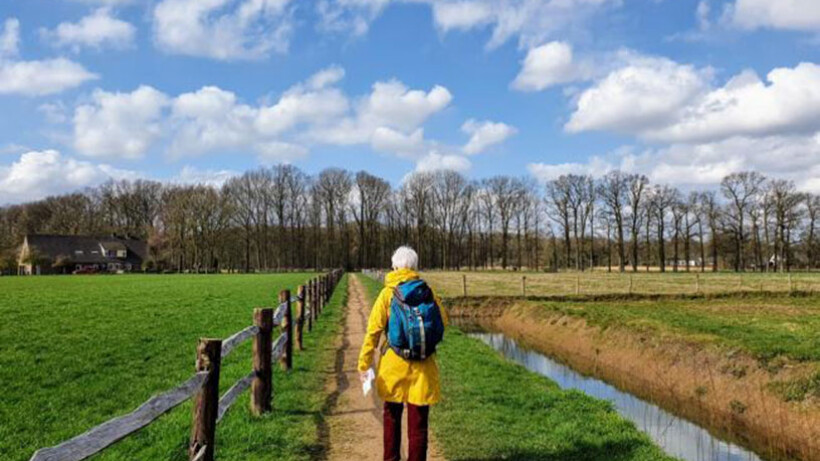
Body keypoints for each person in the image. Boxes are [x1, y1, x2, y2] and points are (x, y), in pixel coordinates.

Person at [358, 246, 448, 461]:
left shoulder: (387, 294)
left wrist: (364, 364)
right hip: (423, 368)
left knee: (391, 418)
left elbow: (373, 332)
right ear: (415, 267)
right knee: (418, 425)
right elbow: (443, 321)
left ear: (395, 266)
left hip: (393, 367)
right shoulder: (428, 291)